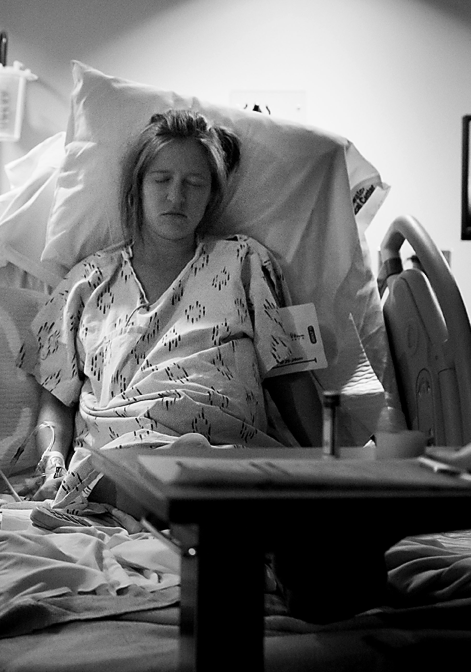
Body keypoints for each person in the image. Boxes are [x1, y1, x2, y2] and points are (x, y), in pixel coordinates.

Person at [20, 110, 322, 505]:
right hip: (124, 461)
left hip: (231, 459)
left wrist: (331, 463)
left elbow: (289, 377)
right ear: (137, 187)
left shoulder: (245, 261)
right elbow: (56, 399)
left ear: (212, 194)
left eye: (194, 183)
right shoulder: (87, 281)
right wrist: (53, 462)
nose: (176, 197)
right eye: (161, 180)